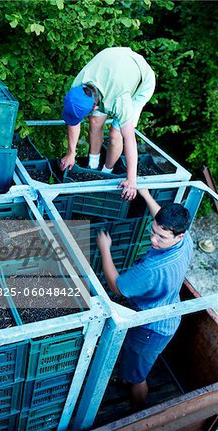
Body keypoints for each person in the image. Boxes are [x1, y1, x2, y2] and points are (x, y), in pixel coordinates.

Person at [97, 189, 193, 410]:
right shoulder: (183, 240)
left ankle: (138, 413)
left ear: (177, 235)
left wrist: (105, 250)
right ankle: (127, 377)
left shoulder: (153, 269)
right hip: (167, 313)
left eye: (161, 238)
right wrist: (146, 194)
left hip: (151, 329)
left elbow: (117, 286)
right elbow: (160, 217)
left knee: (138, 377)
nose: (153, 240)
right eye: (153, 232)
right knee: (133, 366)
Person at [61, 47, 156, 201]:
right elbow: (73, 121)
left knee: (115, 135)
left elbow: (129, 139)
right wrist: (71, 153)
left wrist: (132, 179)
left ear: (94, 107)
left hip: (141, 81)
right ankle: (93, 166)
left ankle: (106, 171)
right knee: (95, 121)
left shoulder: (120, 101)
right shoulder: (78, 86)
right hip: (114, 68)